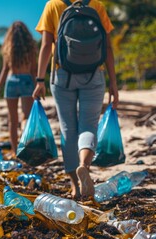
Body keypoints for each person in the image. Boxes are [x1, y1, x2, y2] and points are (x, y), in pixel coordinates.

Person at [33, 0, 119, 199]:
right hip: (94, 75)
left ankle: (74, 185)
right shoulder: (97, 5)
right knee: (88, 126)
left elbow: (46, 45)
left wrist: (39, 80)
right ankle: (84, 165)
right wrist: (113, 82)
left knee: (68, 129)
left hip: (62, 74)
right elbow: (107, 47)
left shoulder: (53, 5)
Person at [0, 21, 38, 158]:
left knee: (13, 119)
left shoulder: (8, 48)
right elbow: (33, 70)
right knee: (26, 117)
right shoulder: (30, 48)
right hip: (26, 81)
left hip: (11, 81)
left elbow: (5, 69)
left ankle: (14, 151)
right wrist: (39, 85)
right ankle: (26, 145)